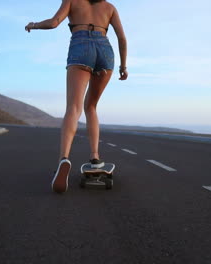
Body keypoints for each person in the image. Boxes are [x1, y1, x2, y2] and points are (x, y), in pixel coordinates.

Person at [25, 0, 128, 193]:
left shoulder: (71, 0)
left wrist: (34, 25)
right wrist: (123, 66)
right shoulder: (109, 7)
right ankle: (95, 157)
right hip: (105, 51)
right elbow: (122, 38)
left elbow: (54, 22)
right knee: (91, 107)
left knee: (73, 108)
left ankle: (64, 158)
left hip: (80, 46)